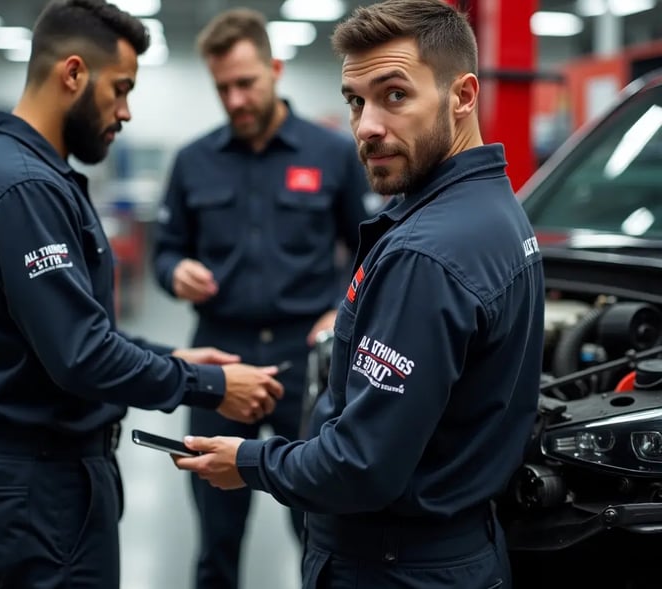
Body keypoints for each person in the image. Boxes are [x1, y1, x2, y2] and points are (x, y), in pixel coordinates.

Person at [174, 1, 546, 588]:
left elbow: (361, 465)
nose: (367, 124)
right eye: (355, 100)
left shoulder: (427, 256)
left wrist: (245, 462)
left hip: (395, 566)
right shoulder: (496, 212)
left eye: (394, 94)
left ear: (463, 95)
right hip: (451, 546)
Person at [0, 1, 284, 588]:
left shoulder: (26, 174)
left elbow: (73, 329)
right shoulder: (24, 186)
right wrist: (209, 385)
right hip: (40, 481)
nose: (125, 111)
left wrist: (174, 361)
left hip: (48, 473)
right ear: (73, 74)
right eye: (120, 89)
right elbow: (81, 354)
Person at [151, 8, 372, 589]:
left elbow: (369, 249)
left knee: (316, 523)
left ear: (274, 69)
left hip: (306, 357)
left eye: (246, 83)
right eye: (223, 87)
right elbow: (165, 251)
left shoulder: (329, 153)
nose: (236, 99)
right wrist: (177, 273)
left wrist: (339, 308)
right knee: (216, 530)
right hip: (221, 360)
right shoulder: (193, 160)